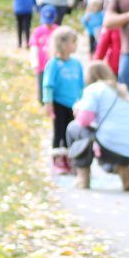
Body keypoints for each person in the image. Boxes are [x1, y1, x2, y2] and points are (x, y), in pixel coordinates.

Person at [65, 59, 129, 191]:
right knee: (99, 137)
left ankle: (83, 175)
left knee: (74, 128)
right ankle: (123, 169)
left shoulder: (94, 89)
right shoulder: (121, 89)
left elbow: (84, 120)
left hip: (110, 148)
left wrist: (77, 110)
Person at [39, 27, 86, 176]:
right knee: (59, 131)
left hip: (74, 105)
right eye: (73, 42)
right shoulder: (53, 64)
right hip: (59, 104)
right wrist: (48, 103)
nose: (75, 46)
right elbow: (48, 84)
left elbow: (81, 85)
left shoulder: (76, 64)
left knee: (71, 132)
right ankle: (58, 160)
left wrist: (83, 102)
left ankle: (70, 159)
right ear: (63, 44)